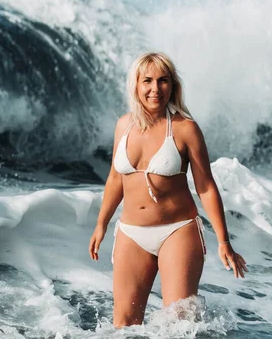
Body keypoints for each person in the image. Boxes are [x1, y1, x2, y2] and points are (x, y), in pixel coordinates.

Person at [88, 52, 247, 328]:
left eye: (163, 81)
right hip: (130, 232)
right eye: (147, 80)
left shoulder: (186, 129)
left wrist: (224, 242)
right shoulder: (123, 126)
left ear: (173, 85)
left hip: (178, 230)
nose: (155, 88)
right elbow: (115, 179)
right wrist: (101, 224)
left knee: (178, 325)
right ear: (136, 85)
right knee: (123, 325)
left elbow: (206, 187)